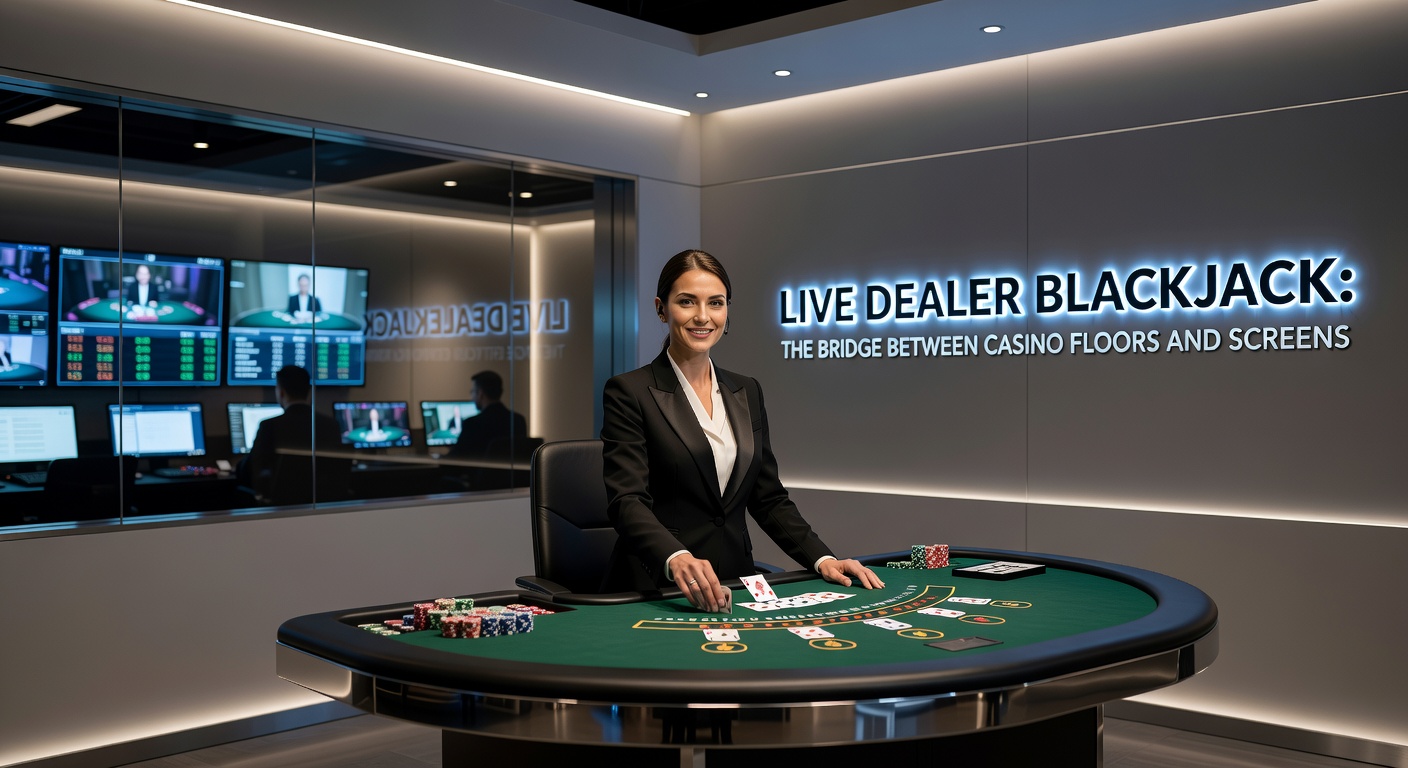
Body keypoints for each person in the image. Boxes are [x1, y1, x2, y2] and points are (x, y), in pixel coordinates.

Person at [601, 249, 883, 611]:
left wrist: (823, 559)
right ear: (661, 308)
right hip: (657, 589)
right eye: (687, 302)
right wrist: (676, 557)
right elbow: (627, 501)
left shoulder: (746, 390)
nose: (703, 316)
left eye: (715, 303)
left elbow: (768, 499)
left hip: (735, 583)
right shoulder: (629, 391)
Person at [238, 365, 343, 502]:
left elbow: (252, 471)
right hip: (323, 504)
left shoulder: (269, 426)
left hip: (281, 507)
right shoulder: (331, 425)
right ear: (309, 391)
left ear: (281, 393)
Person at [447, 371, 529, 489]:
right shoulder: (518, 420)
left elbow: (454, 463)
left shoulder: (473, 423)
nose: (472, 397)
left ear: (480, 394)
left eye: (472, 392)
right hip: (515, 488)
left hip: (482, 489)